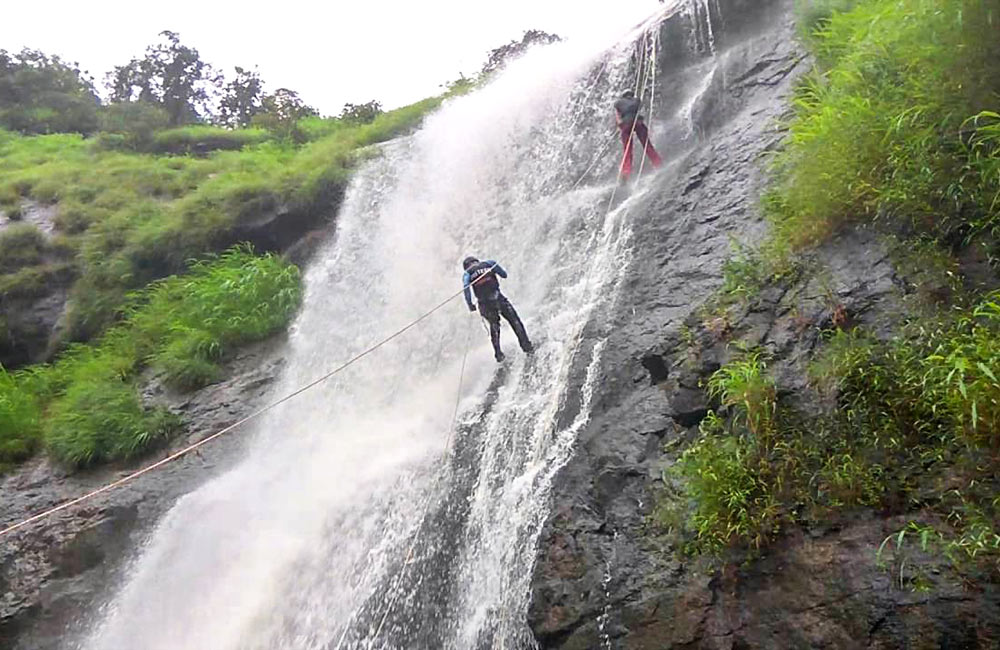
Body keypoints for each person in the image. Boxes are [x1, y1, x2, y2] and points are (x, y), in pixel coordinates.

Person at [462, 256, 534, 363]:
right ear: (476, 260)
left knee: (494, 325)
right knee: (514, 320)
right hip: (498, 298)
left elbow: (466, 287)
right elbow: (504, 275)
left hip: (485, 303)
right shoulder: (489, 263)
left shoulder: (467, 273)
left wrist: (470, 304)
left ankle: (498, 354)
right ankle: (526, 346)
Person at [613, 90, 662, 180]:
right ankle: (658, 164)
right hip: (637, 123)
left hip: (626, 125)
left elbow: (618, 120)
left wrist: (621, 125)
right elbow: (639, 108)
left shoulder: (618, 103)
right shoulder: (636, 100)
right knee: (647, 146)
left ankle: (625, 173)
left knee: (627, 151)